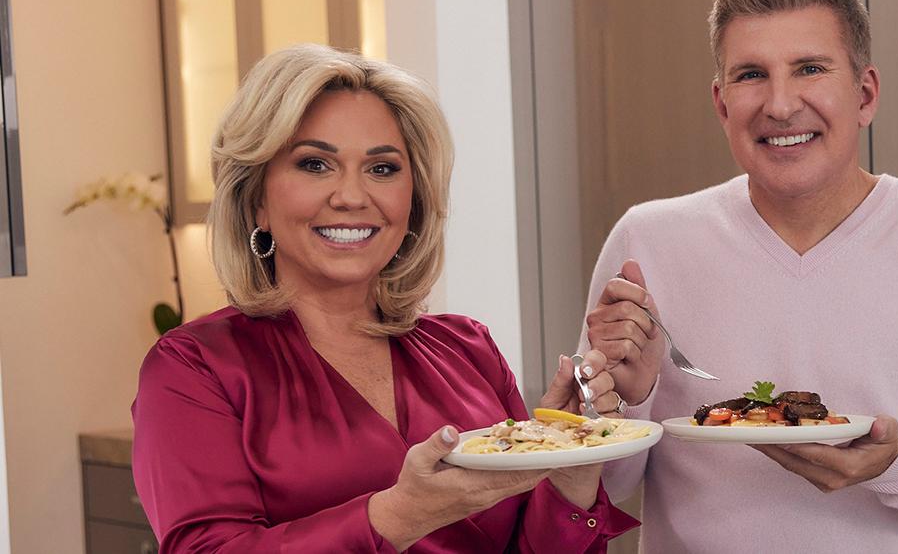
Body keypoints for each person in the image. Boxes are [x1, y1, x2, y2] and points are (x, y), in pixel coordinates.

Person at [581, 0, 898, 552]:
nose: (780, 104)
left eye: (809, 68)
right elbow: (599, 492)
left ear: (865, 93)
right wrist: (626, 401)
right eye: (751, 74)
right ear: (722, 104)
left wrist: (897, 462)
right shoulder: (646, 242)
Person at [132, 44, 637, 553]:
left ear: (413, 201)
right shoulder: (195, 369)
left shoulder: (468, 349)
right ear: (256, 197)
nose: (352, 196)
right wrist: (399, 514)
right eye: (314, 164)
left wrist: (567, 470)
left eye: (381, 169)